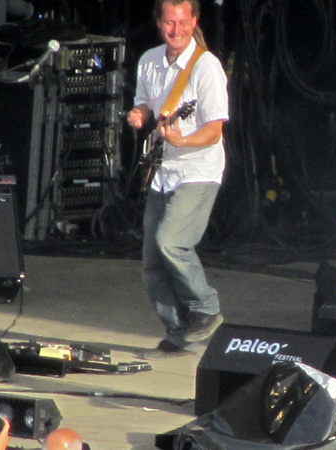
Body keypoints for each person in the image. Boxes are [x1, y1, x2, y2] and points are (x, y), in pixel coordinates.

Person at [127, 0, 229, 358]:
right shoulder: (149, 61)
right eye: (170, 23)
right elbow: (146, 105)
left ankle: (206, 308)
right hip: (163, 172)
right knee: (152, 260)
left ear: (194, 21)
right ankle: (179, 331)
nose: (176, 30)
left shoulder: (207, 67)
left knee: (171, 241)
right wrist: (139, 115)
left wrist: (184, 139)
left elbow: (214, 130)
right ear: (158, 23)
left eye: (182, 23)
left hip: (198, 170)